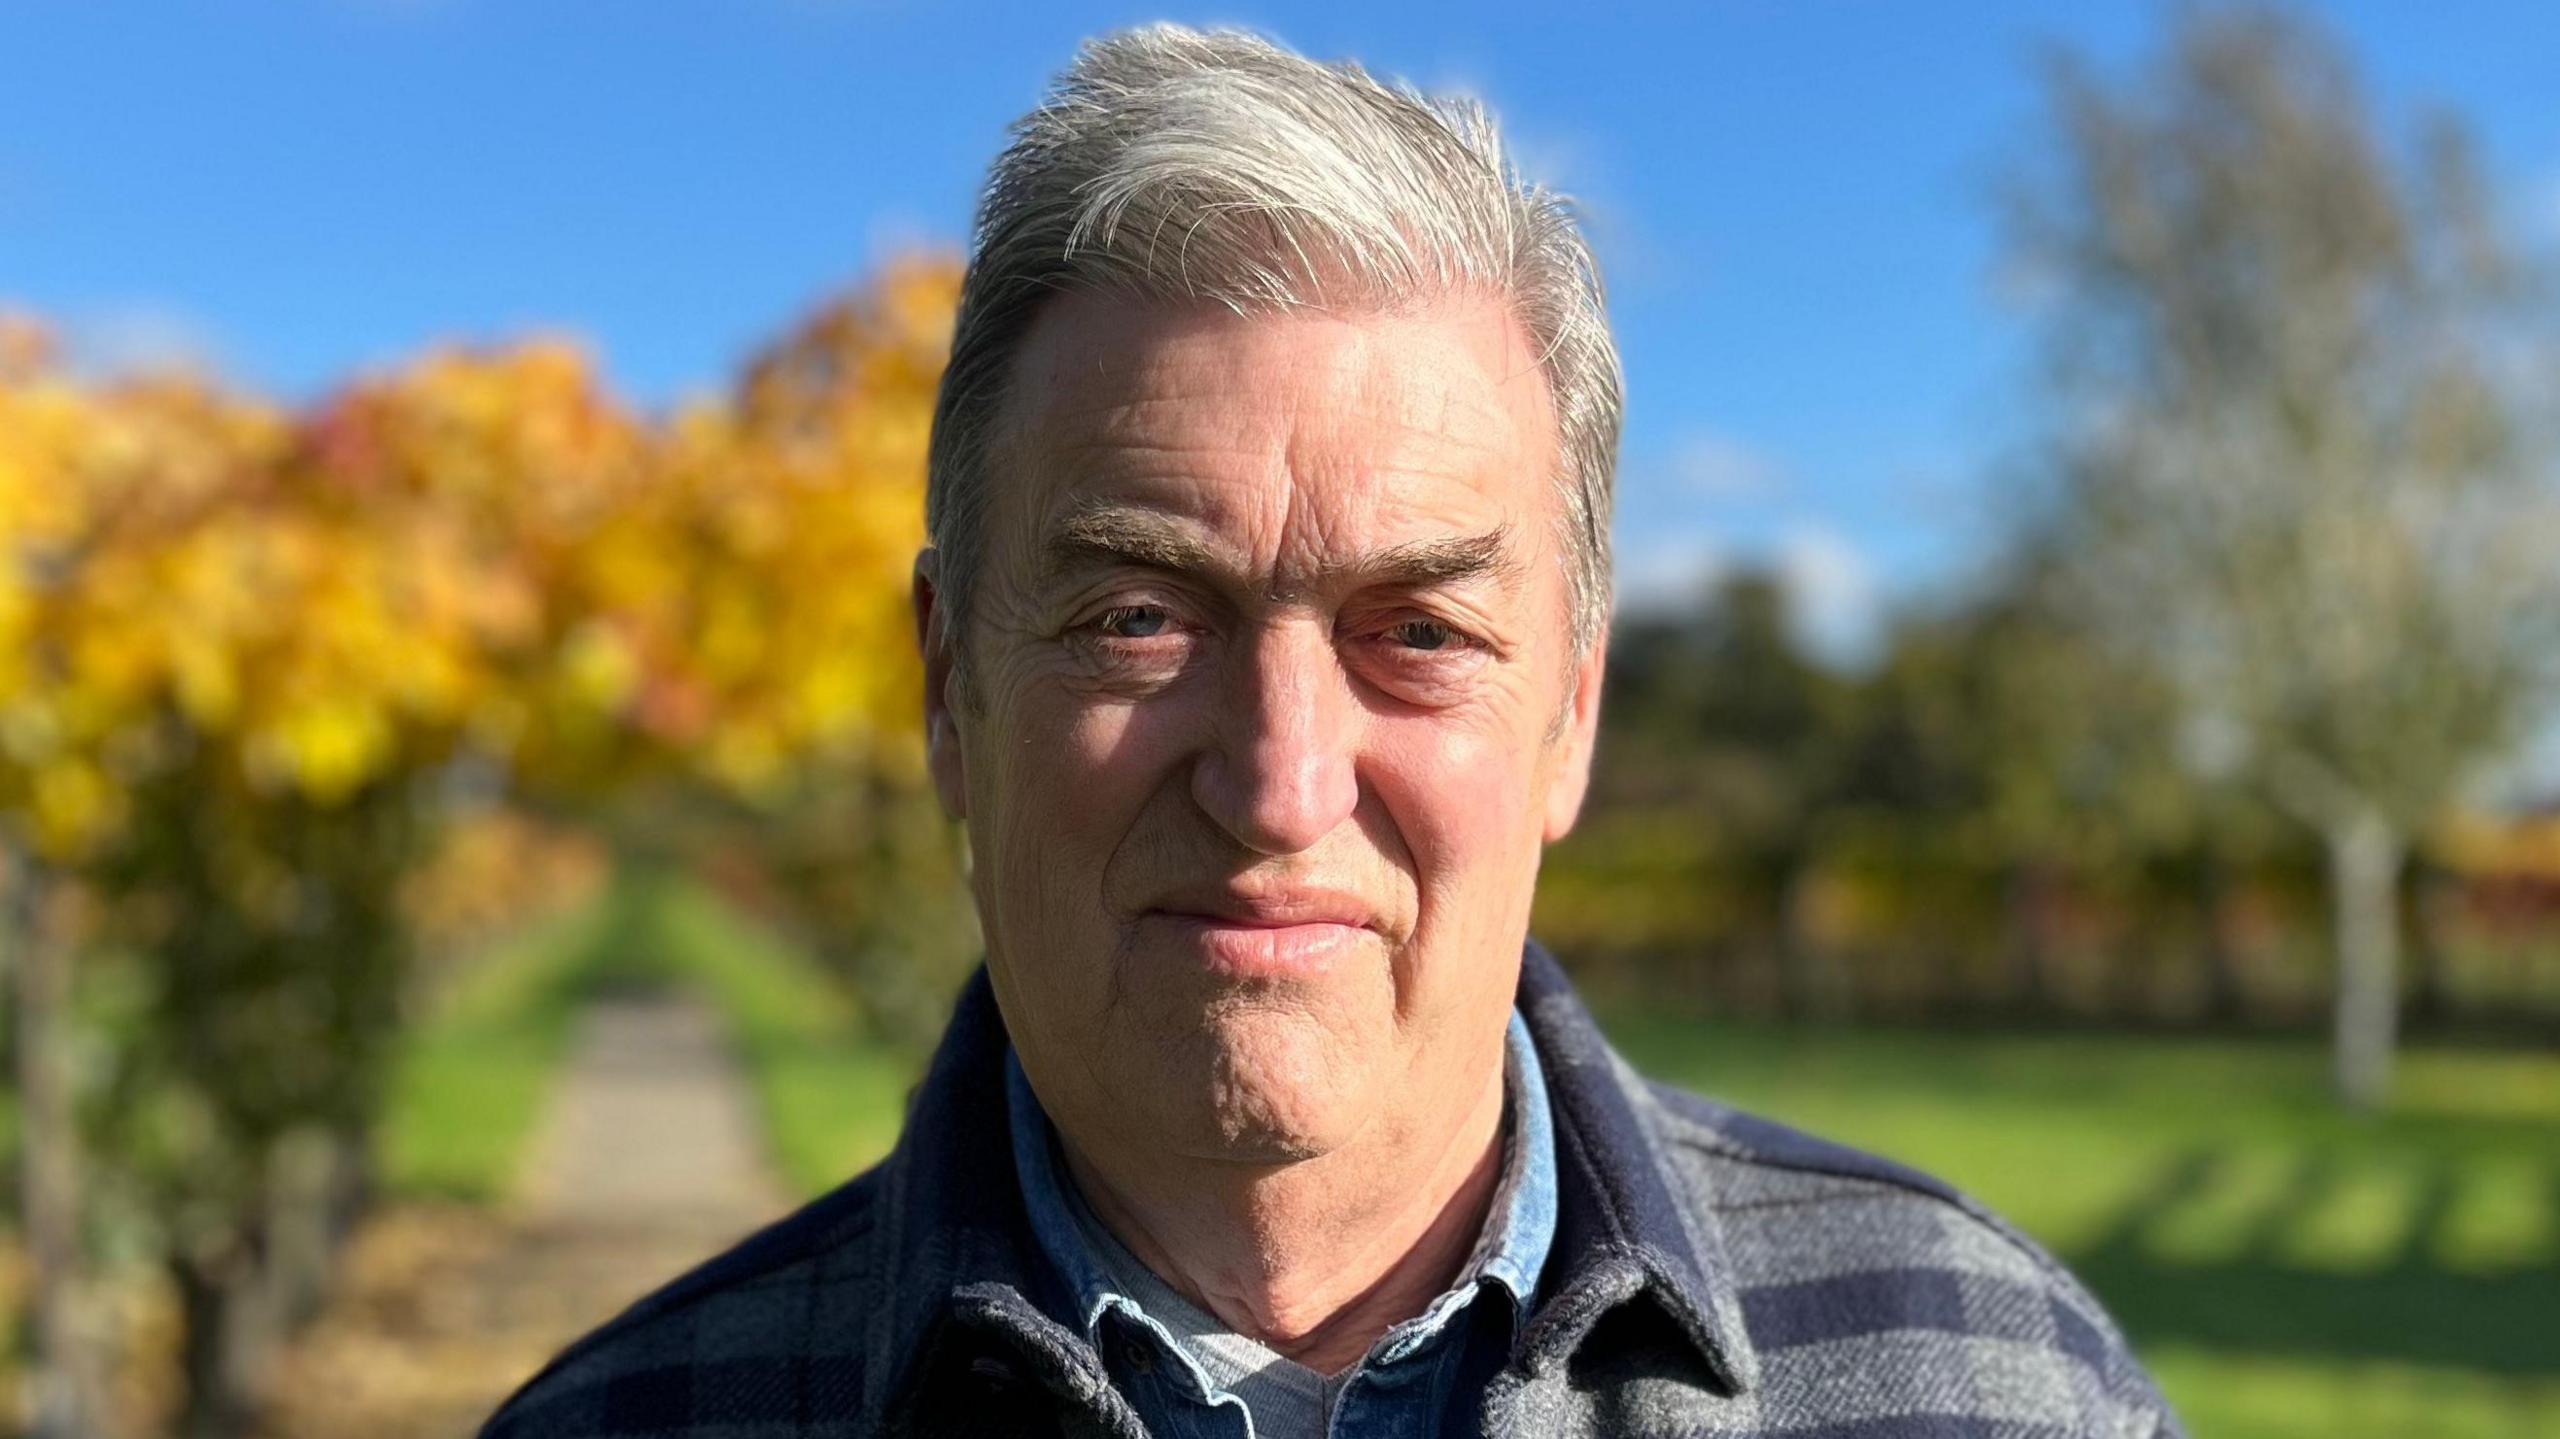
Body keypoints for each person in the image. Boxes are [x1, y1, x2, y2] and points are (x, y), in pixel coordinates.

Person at [482, 24, 2184, 1439]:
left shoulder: (1992, 1381)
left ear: (1571, 712)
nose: (1280, 783)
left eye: (1421, 633)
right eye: (1142, 616)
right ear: (950, 687)